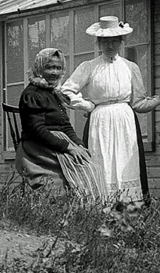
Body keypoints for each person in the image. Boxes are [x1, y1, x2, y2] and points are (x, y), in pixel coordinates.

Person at [61, 17, 160, 203]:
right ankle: (100, 212)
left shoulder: (130, 67)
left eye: (114, 40)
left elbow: (139, 104)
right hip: (100, 122)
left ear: (121, 41)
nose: (110, 45)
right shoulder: (89, 67)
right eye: (105, 41)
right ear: (99, 42)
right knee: (102, 164)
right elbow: (66, 91)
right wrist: (87, 105)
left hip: (125, 122)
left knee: (128, 164)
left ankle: (128, 215)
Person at [16, 48, 104, 197]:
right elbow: (37, 130)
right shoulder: (32, 94)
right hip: (38, 147)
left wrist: (79, 145)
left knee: (91, 166)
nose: (54, 72)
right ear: (39, 68)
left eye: (58, 68)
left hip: (56, 143)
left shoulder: (54, 93)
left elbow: (65, 125)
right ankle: (81, 210)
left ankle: (92, 213)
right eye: (49, 67)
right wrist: (68, 147)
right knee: (81, 171)